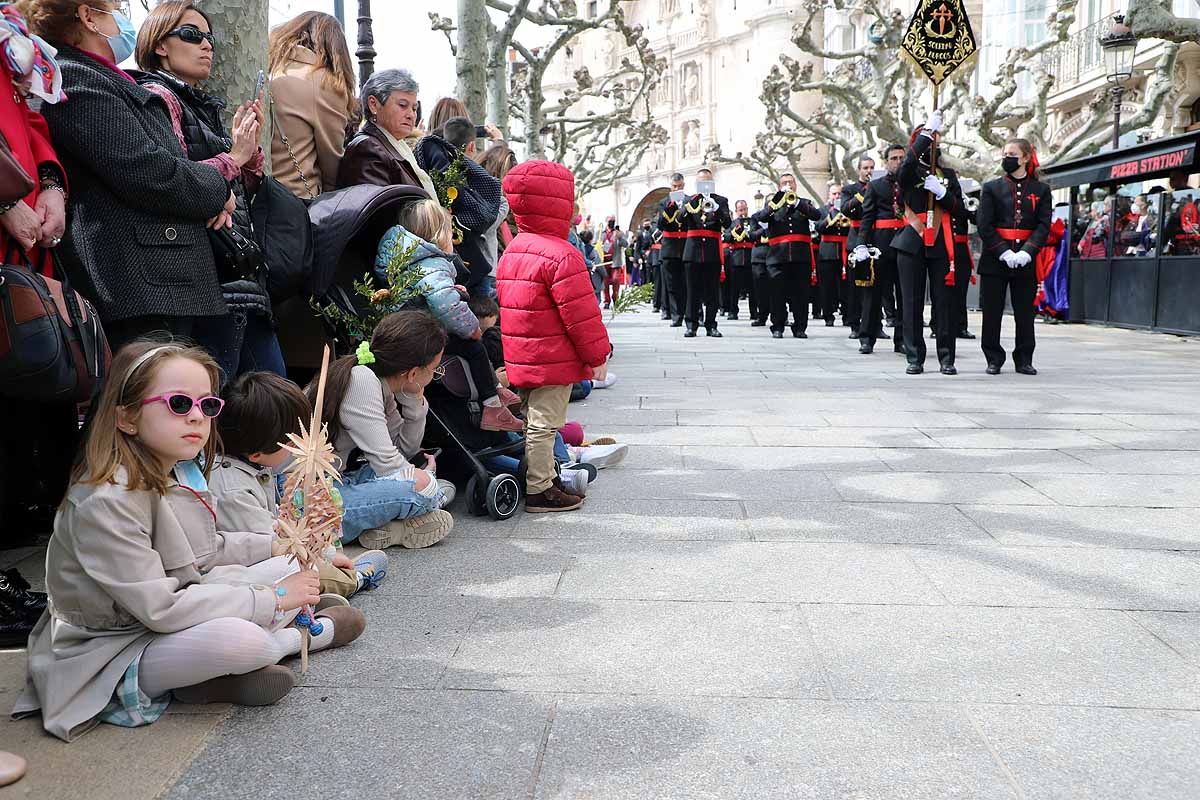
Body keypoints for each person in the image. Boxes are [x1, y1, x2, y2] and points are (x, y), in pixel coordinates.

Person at [12, 340, 365, 742]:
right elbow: (161, 608)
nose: (197, 418)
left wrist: (279, 545)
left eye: (207, 406)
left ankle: (204, 679)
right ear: (126, 418)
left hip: (163, 618)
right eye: (179, 404)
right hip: (109, 647)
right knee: (241, 639)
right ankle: (297, 636)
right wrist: (274, 599)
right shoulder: (104, 502)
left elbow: (206, 553)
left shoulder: (170, 472)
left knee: (287, 566)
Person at [24, 0, 232, 350]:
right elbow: (148, 172)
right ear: (88, 17)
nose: (123, 18)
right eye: (115, 8)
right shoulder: (75, 76)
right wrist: (218, 187)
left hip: (164, 279)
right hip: (141, 285)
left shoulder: (103, 77)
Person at [133, 1, 285, 381]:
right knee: (221, 402)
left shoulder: (200, 104)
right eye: (191, 34)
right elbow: (175, 179)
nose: (206, 46)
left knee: (269, 403)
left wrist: (246, 156)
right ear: (160, 44)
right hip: (206, 276)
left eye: (209, 39)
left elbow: (234, 189)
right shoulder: (158, 96)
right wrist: (232, 161)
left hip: (235, 273)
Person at [0, 1, 77, 547]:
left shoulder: (9, 32)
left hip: (26, 238)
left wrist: (51, 183)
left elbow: (28, 117)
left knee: (33, 391)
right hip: (8, 219)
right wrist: (2, 204)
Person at [210, 370, 390, 604]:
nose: (299, 445)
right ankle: (354, 580)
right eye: (292, 441)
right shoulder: (233, 490)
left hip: (266, 556)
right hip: (248, 571)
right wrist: (323, 557)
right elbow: (277, 541)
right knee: (312, 570)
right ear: (256, 454)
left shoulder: (251, 467)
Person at [496, 160, 611, 513]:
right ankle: (540, 488)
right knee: (546, 424)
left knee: (533, 421)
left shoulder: (514, 249)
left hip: (522, 354)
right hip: (553, 357)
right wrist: (598, 355)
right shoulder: (562, 255)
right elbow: (582, 316)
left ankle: (541, 475)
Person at [307, 311, 456, 547]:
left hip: (334, 482)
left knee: (422, 481)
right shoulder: (363, 382)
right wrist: (427, 482)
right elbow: (389, 465)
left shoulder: (379, 382)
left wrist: (414, 401)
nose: (435, 375)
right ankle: (394, 521)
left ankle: (387, 525)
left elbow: (402, 450)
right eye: (435, 369)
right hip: (305, 500)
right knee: (424, 488)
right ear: (414, 373)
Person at [376, 199, 523, 432]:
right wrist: (471, 327)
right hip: (422, 338)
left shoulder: (404, 259)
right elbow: (445, 305)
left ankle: (494, 391)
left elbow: (424, 292)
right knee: (474, 345)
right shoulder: (432, 262)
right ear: (438, 235)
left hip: (405, 332)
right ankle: (492, 403)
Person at [887, 111, 966, 375]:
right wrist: (924, 133)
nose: (934, 144)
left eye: (936, 139)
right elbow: (905, 167)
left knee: (944, 303)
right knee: (911, 302)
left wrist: (943, 194)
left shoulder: (948, 173)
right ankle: (914, 356)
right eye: (931, 139)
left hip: (942, 242)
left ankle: (946, 357)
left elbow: (960, 210)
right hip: (913, 241)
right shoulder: (909, 170)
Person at [976, 137, 1052, 375]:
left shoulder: (1041, 190)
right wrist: (1003, 251)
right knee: (992, 311)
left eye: (1012, 154)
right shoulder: (991, 188)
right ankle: (993, 358)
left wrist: (1028, 252)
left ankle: (1024, 358)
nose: (1007, 159)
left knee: (1025, 313)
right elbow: (984, 225)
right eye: (1005, 154)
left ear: (1026, 157)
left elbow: (1043, 225)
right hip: (995, 258)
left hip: (1025, 260)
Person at [267, 11, 356, 199]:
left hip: (252, 198)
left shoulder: (271, 69)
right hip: (296, 199)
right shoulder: (324, 83)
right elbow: (332, 162)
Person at [415, 115, 503, 297]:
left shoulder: (427, 157)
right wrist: (499, 142)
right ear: (471, 147)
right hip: (473, 263)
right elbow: (488, 217)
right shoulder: (464, 185)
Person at [337, 68, 436, 196]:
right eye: (402, 105)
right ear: (373, 104)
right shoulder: (367, 150)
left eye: (414, 108)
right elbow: (381, 211)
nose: (411, 115)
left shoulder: (394, 145)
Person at [752, 173, 821, 339]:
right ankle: (777, 326)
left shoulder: (804, 203)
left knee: (801, 295)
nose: (788, 185)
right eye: (784, 183)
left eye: (791, 182)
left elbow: (817, 215)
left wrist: (796, 203)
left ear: (795, 185)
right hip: (777, 257)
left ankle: (800, 327)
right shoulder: (773, 204)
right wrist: (775, 203)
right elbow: (761, 218)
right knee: (777, 294)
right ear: (779, 186)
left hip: (800, 256)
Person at [853, 145, 907, 355]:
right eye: (894, 158)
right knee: (872, 295)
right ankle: (867, 337)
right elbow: (867, 218)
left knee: (904, 295)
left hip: (905, 245)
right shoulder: (875, 186)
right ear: (886, 162)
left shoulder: (912, 185)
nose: (898, 161)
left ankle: (901, 339)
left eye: (902, 157)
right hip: (880, 246)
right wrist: (861, 244)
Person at [681, 167, 731, 338]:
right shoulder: (690, 199)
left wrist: (716, 208)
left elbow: (727, 222)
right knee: (692, 291)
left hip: (711, 250)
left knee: (712, 291)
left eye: (707, 181)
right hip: (692, 250)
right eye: (701, 182)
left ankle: (711, 325)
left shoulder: (721, 200)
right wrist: (686, 207)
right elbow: (680, 219)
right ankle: (691, 325)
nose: (705, 185)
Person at [839, 156, 874, 336]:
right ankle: (854, 324)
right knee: (855, 286)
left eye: (871, 168)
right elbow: (845, 209)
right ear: (859, 170)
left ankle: (876, 325)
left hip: (875, 238)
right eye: (866, 168)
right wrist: (863, 194)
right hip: (856, 238)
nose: (869, 171)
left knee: (876, 287)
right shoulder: (849, 189)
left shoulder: (880, 186)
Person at [655, 172, 687, 327]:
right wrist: (670, 208)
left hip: (686, 246)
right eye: (674, 186)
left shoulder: (690, 201)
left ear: (684, 186)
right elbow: (661, 224)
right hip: (669, 248)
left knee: (688, 283)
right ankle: (676, 315)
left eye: (680, 186)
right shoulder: (664, 202)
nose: (677, 189)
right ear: (671, 186)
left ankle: (692, 314)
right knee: (672, 285)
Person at [815, 183, 849, 327]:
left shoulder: (848, 209)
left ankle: (848, 315)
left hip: (845, 250)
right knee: (827, 287)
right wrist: (831, 217)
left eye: (839, 194)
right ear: (829, 195)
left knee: (846, 287)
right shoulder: (822, 210)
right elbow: (818, 227)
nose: (837, 197)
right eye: (834, 194)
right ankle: (828, 315)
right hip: (827, 251)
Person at [722, 200, 755, 321]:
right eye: (740, 210)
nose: (743, 212)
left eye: (744, 209)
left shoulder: (753, 221)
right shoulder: (732, 223)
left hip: (750, 256)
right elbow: (725, 237)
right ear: (736, 211)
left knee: (753, 288)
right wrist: (734, 232)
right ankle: (732, 311)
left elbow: (757, 233)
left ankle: (754, 312)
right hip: (736, 258)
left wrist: (749, 234)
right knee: (734, 288)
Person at [599, 217, 626, 309]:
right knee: (605, 282)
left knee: (615, 280)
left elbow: (626, 244)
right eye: (610, 221)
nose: (611, 223)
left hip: (615, 261)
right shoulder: (601, 233)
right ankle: (606, 301)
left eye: (613, 221)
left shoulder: (618, 233)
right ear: (606, 222)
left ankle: (615, 299)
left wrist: (620, 237)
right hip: (604, 261)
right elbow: (595, 243)